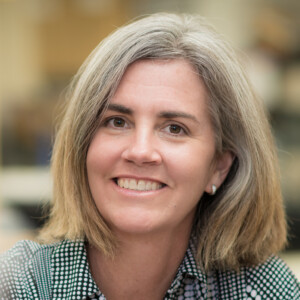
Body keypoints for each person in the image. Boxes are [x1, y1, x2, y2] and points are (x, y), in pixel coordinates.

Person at [1, 13, 299, 300]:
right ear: (82, 144)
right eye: (117, 121)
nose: (140, 151)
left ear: (218, 167)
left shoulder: (261, 289)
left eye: (174, 128)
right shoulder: (19, 285)